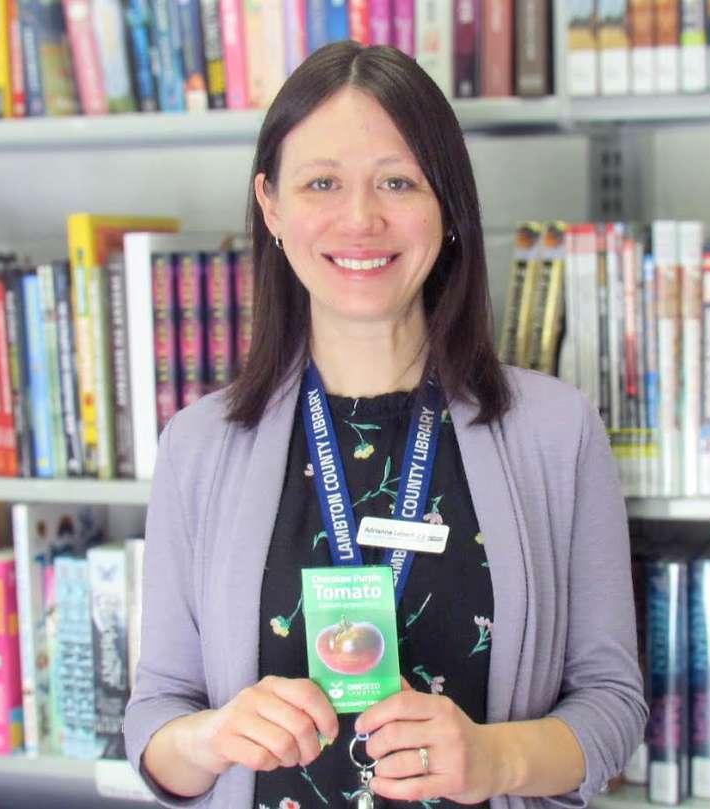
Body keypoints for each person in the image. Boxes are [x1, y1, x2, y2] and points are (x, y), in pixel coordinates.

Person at [123, 41, 646, 809]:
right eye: (322, 182)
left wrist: (492, 758)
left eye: (397, 181)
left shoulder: (556, 432)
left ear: (448, 204)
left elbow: (612, 703)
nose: (361, 219)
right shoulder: (199, 445)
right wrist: (213, 737)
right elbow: (155, 719)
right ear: (272, 205)